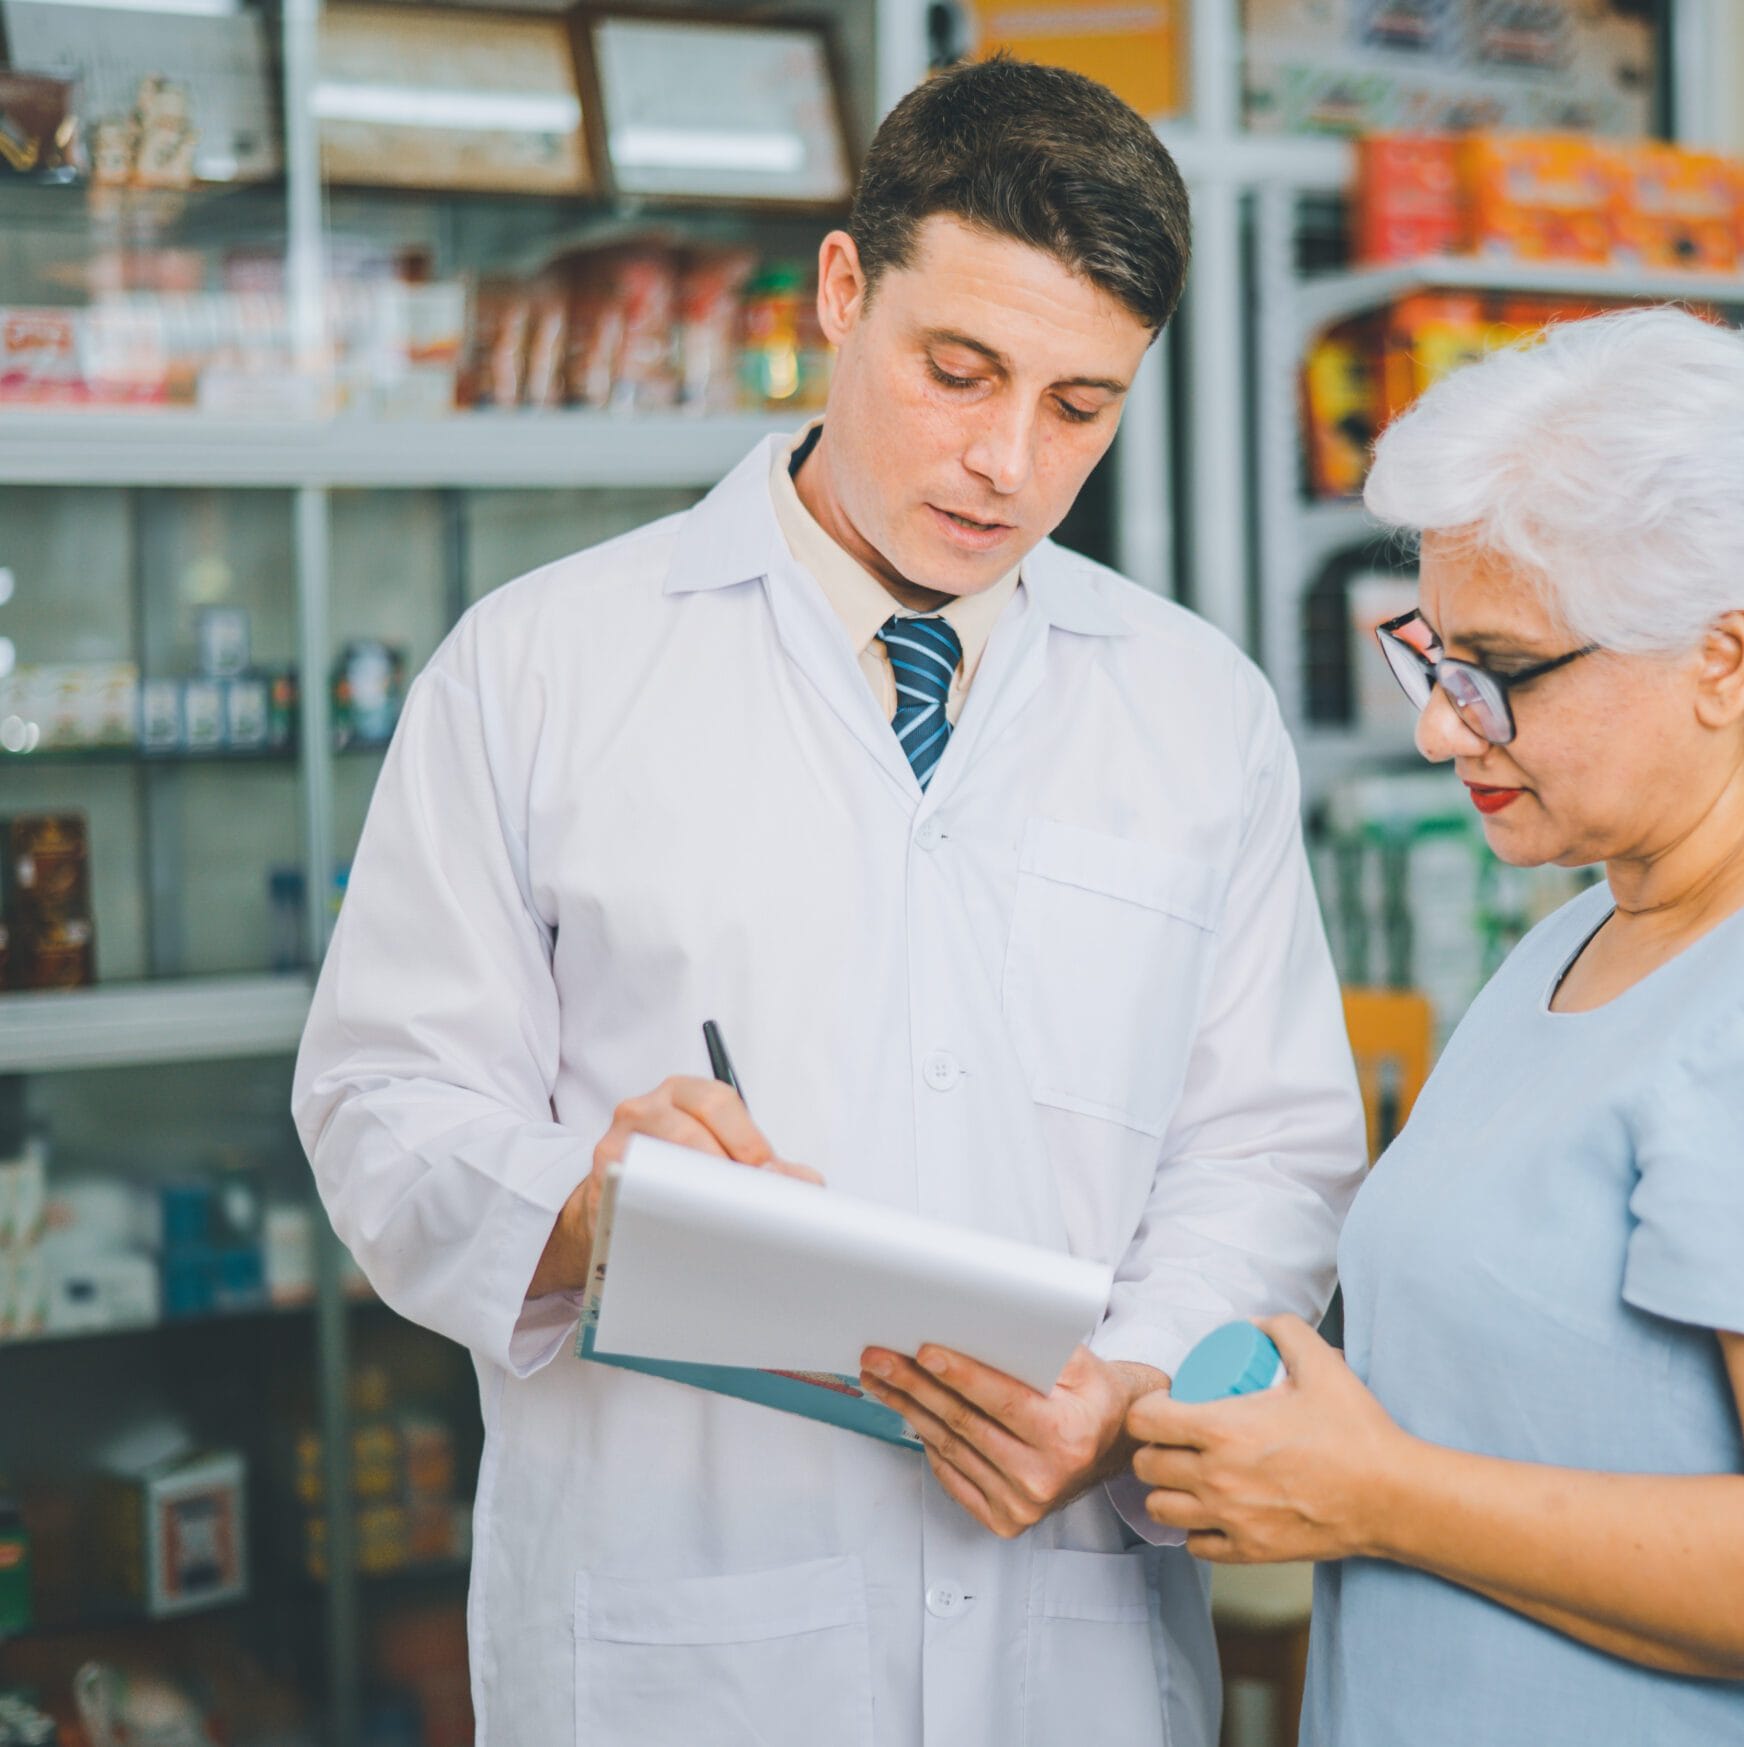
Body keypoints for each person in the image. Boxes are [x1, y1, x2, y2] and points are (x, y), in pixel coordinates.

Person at [291, 59, 1364, 1747]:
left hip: (1062, 1644)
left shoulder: (1194, 707)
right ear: (844, 293)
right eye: (960, 372)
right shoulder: (545, 665)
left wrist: (1130, 1385)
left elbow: (1269, 1151)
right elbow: (380, 1106)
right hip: (682, 1644)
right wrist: (588, 1202)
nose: (1007, 461)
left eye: (1080, 406)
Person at [1128, 307, 1744, 1746]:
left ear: (1721, 659)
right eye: (1432, 656)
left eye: (1500, 667)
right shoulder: (1589, 926)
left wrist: (1375, 1496)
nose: (1444, 726)